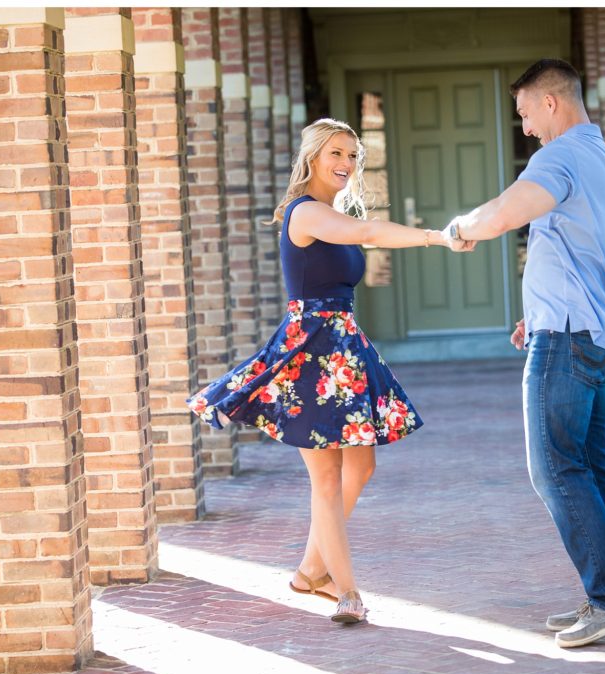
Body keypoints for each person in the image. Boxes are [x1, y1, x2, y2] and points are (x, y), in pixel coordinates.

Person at [187, 118, 473, 625]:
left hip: (344, 348)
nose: (346, 164)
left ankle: (308, 572)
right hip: (309, 353)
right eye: (337, 153)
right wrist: (437, 236)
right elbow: (367, 231)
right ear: (314, 156)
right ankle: (348, 593)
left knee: (361, 467)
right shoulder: (305, 213)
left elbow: (357, 232)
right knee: (326, 478)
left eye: (353, 156)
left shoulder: (331, 211)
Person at [442, 59, 605, 648]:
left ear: (551, 103)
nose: (526, 127)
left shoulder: (558, 158)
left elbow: (507, 212)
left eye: (526, 112)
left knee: (553, 468)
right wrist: (544, 306)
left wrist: (462, 228)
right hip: (595, 336)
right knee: (592, 471)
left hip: (564, 340)